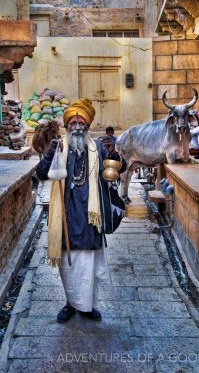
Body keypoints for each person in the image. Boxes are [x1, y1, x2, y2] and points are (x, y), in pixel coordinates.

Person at [36, 98, 126, 323]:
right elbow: (41, 173)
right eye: (73, 122)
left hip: (91, 218)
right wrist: (49, 154)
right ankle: (71, 303)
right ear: (67, 126)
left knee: (89, 264)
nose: (77, 126)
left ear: (87, 125)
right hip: (66, 215)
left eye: (81, 122)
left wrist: (113, 153)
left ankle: (87, 306)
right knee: (70, 264)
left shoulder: (98, 148)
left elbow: (119, 169)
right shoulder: (60, 147)